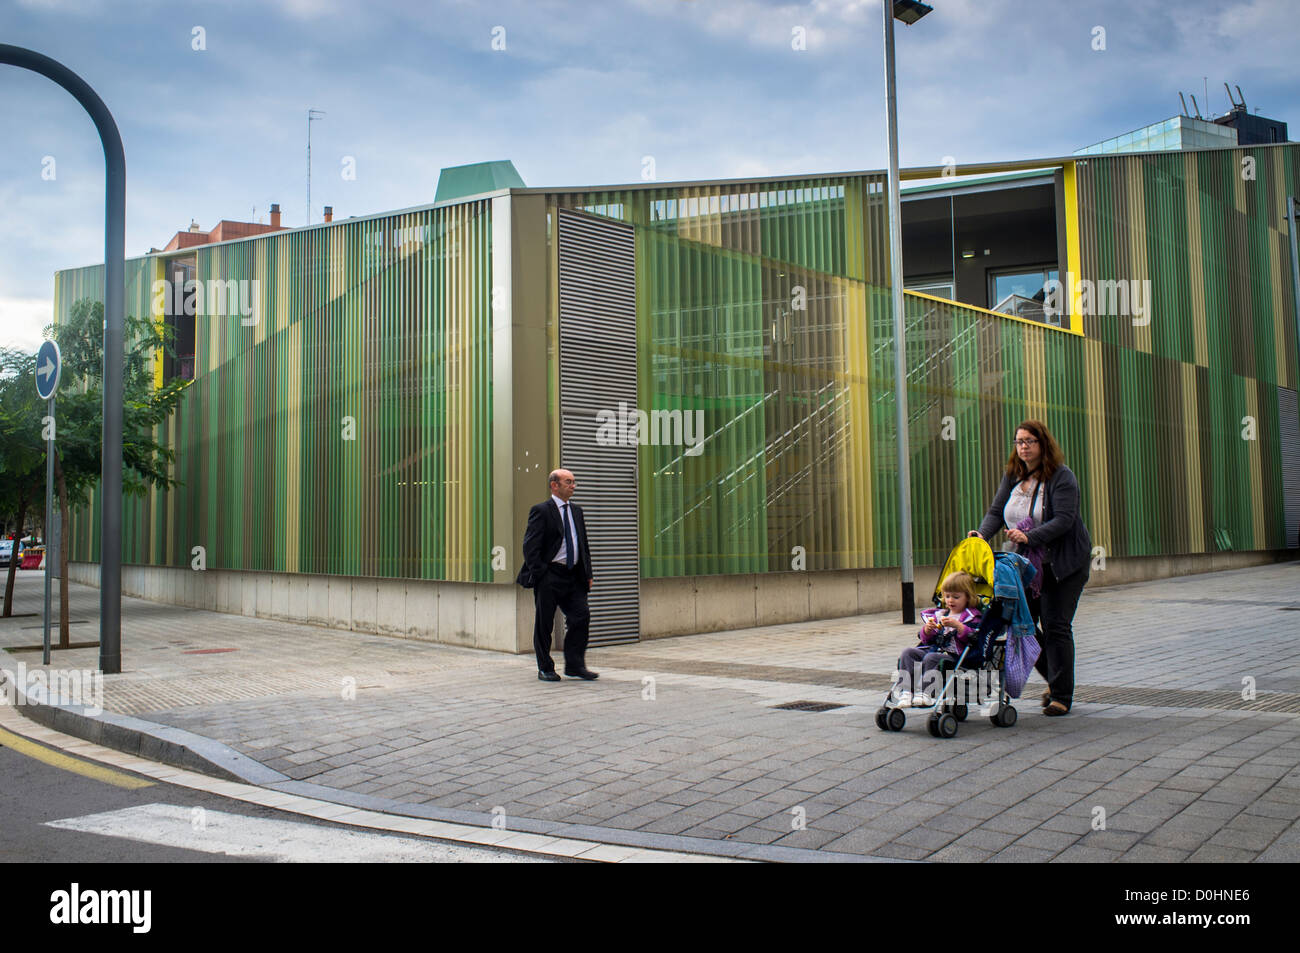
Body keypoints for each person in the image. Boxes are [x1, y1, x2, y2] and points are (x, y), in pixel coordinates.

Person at [969, 420, 1091, 716]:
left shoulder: (1062, 477)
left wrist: (1029, 536)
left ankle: (1062, 695)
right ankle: (1056, 677)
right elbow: (997, 511)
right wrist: (982, 536)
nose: (1023, 447)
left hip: (1063, 564)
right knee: (1021, 624)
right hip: (1028, 565)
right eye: (1019, 441)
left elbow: (1064, 519)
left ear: (1042, 444)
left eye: (1029, 441)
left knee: (1055, 625)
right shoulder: (1013, 475)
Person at [516, 468, 598, 682]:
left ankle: (574, 665)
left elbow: (583, 545)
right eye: (568, 482)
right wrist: (541, 574)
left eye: (573, 482)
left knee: (581, 616)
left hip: (573, 576)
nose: (573, 486)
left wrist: (587, 573)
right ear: (554, 485)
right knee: (544, 623)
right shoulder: (541, 511)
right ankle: (545, 667)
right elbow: (530, 547)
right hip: (550, 575)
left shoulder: (577, 511)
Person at [893, 571, 983, 707]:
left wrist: (958, 626)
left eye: (956, 597)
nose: (950, 600)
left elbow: (973, 637)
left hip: (955, 656)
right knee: (908, 652)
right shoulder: (940, 614)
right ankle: (906, 691)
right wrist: (927, 630)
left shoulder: (971, 617)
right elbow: (925, 640)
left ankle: (925, 692)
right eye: (947, 596)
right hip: (935, 649)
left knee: (932, 658)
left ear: (968, 597)